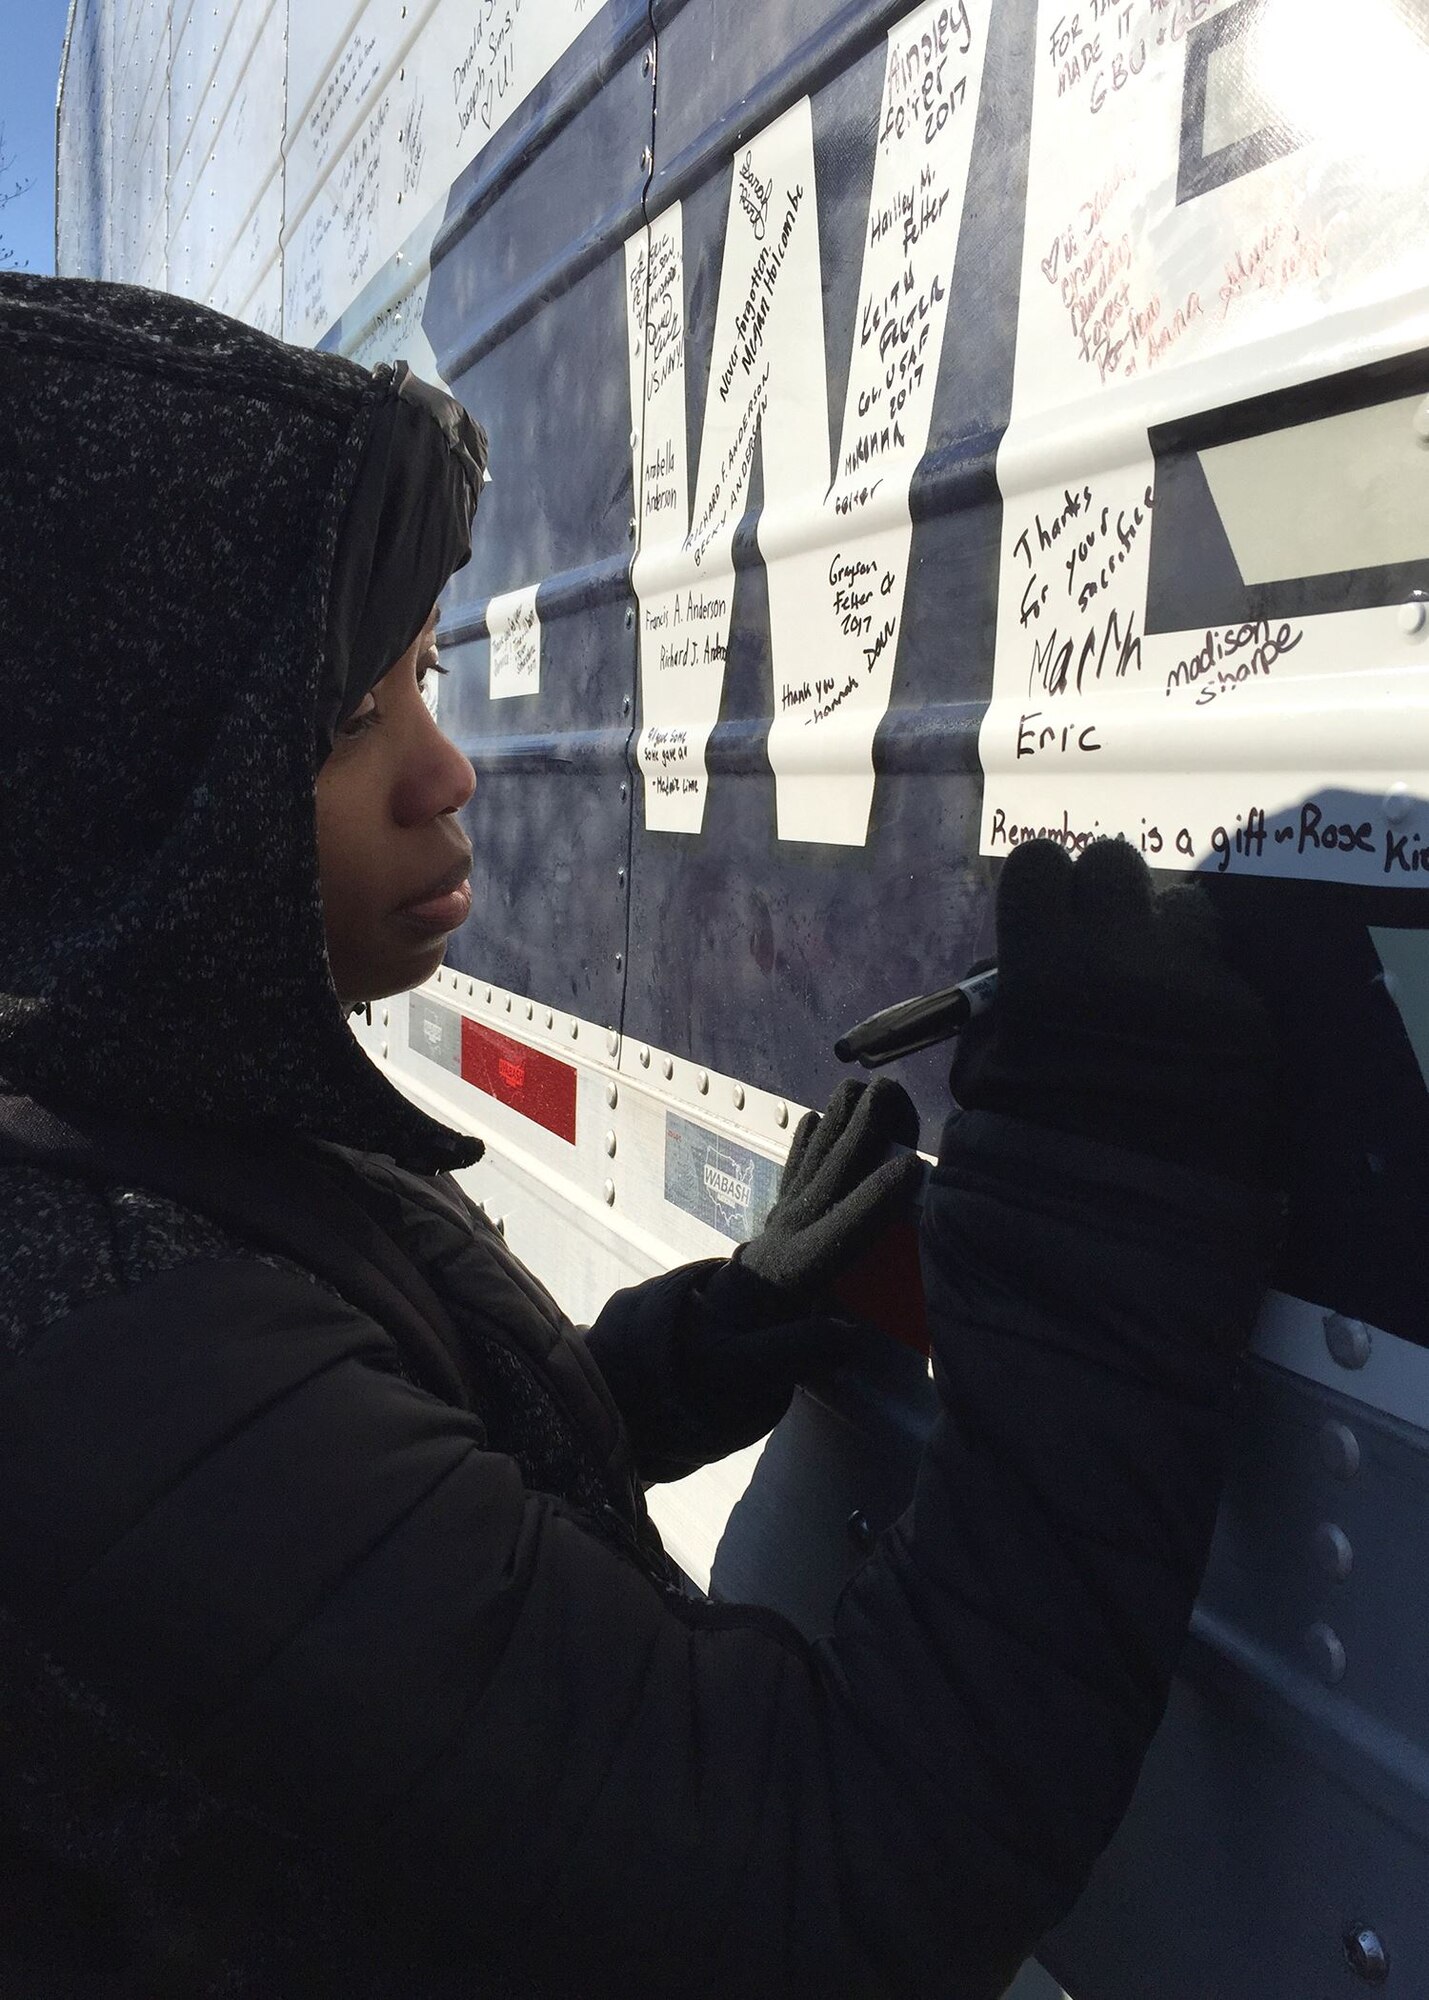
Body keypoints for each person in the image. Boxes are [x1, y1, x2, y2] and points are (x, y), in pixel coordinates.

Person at [0, 272, 1282, 2000]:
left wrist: (714, 1333)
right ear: (99, 790)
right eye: (338, 723)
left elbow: (380, 1536)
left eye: (422, 677)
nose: (445, 776)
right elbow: (827, 1874)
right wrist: (1110, 1203)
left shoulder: (126, 1137)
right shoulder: (102, 1339)